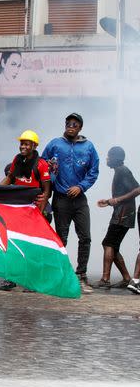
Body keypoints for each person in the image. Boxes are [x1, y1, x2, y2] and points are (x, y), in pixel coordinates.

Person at [42, 113, 99, 293]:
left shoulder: (89, 147)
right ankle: (59, 275)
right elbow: (42, 164)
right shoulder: (54, 144)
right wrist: (50, 174)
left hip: (79, 199)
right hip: (60, 198)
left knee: (86, 237)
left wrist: (81, 187)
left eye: (74, 124)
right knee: (61, 238)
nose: (70, 126)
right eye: (68, 123)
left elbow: (94, 170)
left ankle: (81, 275)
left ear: (80, 127)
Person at [0, 130, 53, 292]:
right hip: (19, 208)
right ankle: (11, 279)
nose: (23, 146)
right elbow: (10, 179)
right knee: (13, 243)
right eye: (22, 143)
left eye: (27, 144)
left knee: (32, 247)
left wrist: (41, 209)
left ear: (34, 146)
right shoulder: (17, 160)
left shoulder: (41, 164)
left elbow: (47, 189)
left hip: (36, 208)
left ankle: (32, 280)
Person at [95, 147, 138, 289]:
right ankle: (126, 278)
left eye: (109, 156)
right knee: (114, 246)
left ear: (116, 158)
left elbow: (138, 189)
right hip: (122, 213)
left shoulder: (122, 170)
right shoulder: (119, 171)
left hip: (123, 214)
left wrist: (117, 200)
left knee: (108, 243)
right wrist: (108, 202)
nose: (107, 159)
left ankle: (105, 278)